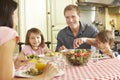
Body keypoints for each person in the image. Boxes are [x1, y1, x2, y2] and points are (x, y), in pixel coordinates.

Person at [0, 0, 58, 80]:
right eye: (16, 15)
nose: (17, 21)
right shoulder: (7, 33)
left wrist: (14, 65)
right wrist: (44, 76)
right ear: (8, 16)